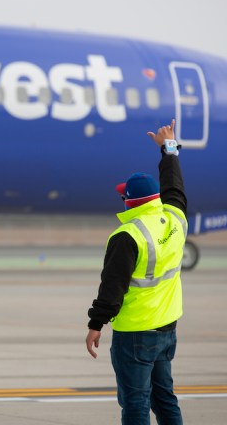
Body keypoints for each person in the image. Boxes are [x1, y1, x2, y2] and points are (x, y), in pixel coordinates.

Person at [85, 119, 187, 425]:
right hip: (167, 329)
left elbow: (112, 287)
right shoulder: (175, 220)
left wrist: (95, 323)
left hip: (135, 335)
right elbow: (175, 187)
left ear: (129, 202)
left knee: (135, 403)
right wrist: (169, 149)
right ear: (155, 199)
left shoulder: (127, 235)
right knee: (165, 398)